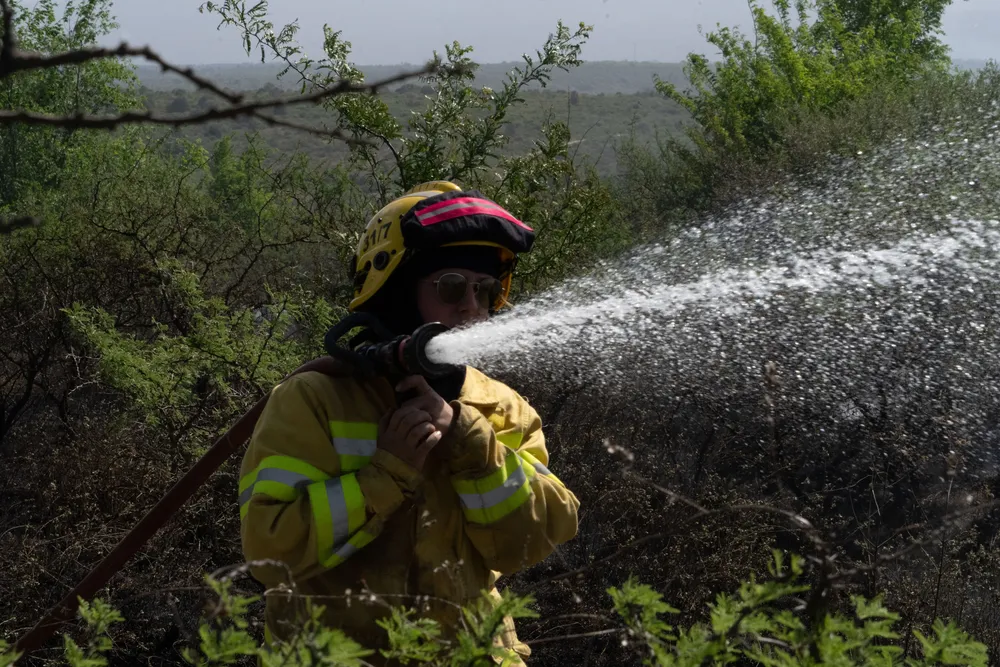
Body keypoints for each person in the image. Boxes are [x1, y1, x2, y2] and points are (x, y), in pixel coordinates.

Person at [237, 181, 580, 665]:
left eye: (484, 291)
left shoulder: (500, 407)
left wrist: (469, 441)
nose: (471, 307)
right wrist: (385, 475)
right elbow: (268, 550)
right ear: (396, 290)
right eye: (451, 286)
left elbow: (529, 544)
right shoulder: (316, 399)